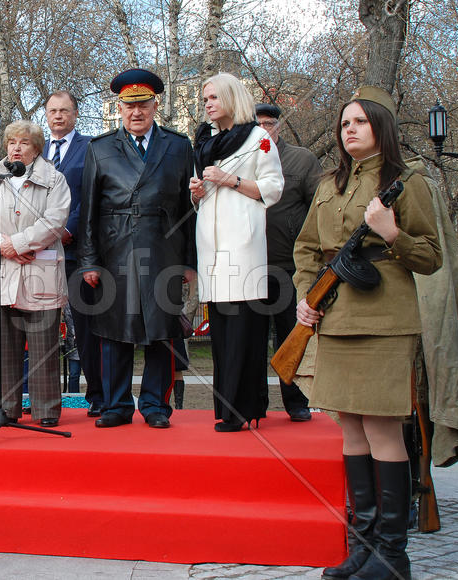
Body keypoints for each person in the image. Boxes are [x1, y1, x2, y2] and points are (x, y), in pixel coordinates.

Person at [293, 86, 442, 580]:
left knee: (381, 429)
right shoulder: (329, 183)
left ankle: (392, 554)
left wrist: (391, 232)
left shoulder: (406, 181)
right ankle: (362, 545)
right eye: (344, 123)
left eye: (359, 121)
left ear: (382, 126)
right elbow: (307, 248)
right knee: (351, 429)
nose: (349, 130)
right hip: (335, 316)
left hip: (384, 319)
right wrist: (305, 296)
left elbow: (431, 256)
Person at [78, 68, 196, 429]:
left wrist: (189, 261)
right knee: (115, 332)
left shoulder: (179, 146)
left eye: (143, 104)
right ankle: (116, 405)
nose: (136, 112)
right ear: (119, 108)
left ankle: (156, 405)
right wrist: (89, 261)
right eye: (129, 106)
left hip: (164, 253)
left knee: (162, 332)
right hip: (115, 252)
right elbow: (89, 211)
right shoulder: (100, 148)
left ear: (155, 105)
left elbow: (188, 209)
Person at [189, 73, 284, 432]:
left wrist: (231, 180)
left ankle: (245, 409)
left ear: (231, 97)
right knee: (222, 333)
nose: (208, 104)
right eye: (205, 99)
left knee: (245, 330)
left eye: (214, 97)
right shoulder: (205, 141)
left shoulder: (258, 138)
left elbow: (273, 187)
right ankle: (226, 410)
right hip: (211, 246)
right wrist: (196, 193)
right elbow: (203, 194)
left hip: (242, 244)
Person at [0, 120, 71, 427]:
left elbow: (54, 221)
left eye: (24, 143)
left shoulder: (54, 180)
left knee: (43, 349)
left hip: (41, 273)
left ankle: (46, 410)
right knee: (4, 350)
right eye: (12, 142)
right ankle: (6, 408)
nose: (16, 148)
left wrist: (18, 244)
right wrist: (3, 247)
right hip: (4, 274)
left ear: (36, 148)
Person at [255, 102, 323, 422]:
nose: (263, 130)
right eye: (257, 125)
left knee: (290, 336)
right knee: (253, 339)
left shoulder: (301, 159)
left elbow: (319, 207)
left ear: (279, 127)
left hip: (290, 267)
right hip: (251, 267)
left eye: (268, 124)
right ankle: (255, 403)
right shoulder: (242, 160)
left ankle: (296, 402)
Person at [43, 91, 103, 417]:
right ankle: (44, 397)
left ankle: (97, 395)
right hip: (40, 254)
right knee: (41, 327)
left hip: (78, 251)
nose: (58, 116)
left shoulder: (91, 148)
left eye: (64, 110)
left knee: (86, 326)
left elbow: (93, 196)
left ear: (75, 114)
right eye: (53, 110)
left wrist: (67, 230)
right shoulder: (35, 150)